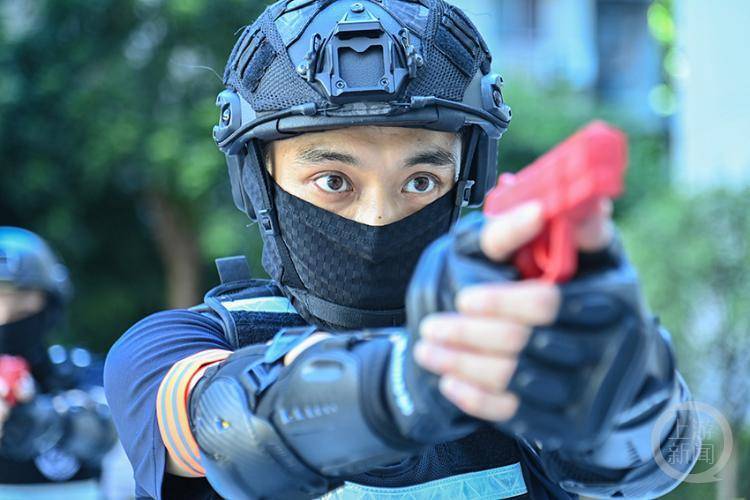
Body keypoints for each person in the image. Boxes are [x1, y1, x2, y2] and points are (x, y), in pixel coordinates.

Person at [105, 1, 700, 499]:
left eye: (420, 182)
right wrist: (417, 379)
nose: (379, 217)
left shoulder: (516, 342)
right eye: (333, 180)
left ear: (466, 180)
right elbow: (225, 424)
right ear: (259, 183)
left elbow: (648, 463)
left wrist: (618, 370)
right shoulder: (168, 348)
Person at [0, 226, 118, 499]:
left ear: (50, 303)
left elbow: (110, 427)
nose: (4, 314)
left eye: (20, 300)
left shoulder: (74, 370)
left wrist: (46, 421)